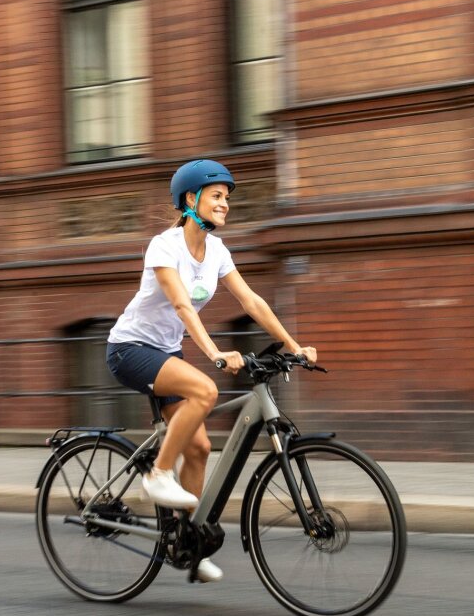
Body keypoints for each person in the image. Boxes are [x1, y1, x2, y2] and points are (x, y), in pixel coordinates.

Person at [106, 159, 317, 583]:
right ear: (191, 199)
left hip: (165, 353)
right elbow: (183, 305)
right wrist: (217, 354)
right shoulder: (164, 246)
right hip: (130, 350)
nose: (225, 204)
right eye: (217, 196)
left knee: (200, 447)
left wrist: (295, 346)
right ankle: (158, 475)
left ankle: (188, 541)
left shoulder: (217, 251)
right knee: (205, 391)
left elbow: (251, 301)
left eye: (226, 198)